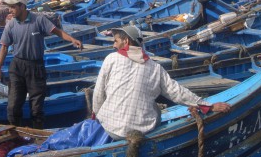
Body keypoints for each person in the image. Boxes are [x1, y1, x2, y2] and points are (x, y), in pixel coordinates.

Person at [92, 25, 231, 140]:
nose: (113, 44)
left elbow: (98, 93)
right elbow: (176, 92)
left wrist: (96, 116)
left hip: (111, 129)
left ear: (126, 41)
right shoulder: (155, 68)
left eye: (116, 41)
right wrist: (207, 106)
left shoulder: (111, 59)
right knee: (156, 111)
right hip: (141, 130)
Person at [0, 0, 83, 128]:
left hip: (35, 67)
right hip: (17, 66)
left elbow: (57, 31)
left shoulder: (39, 20)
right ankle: (16, 134)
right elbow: (4, 47)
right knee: (12, 107)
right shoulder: (10, 25)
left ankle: (36, 136)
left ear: (22, 6)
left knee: (36, 109)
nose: (10, 10)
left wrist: (72, 40)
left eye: (12, 7)